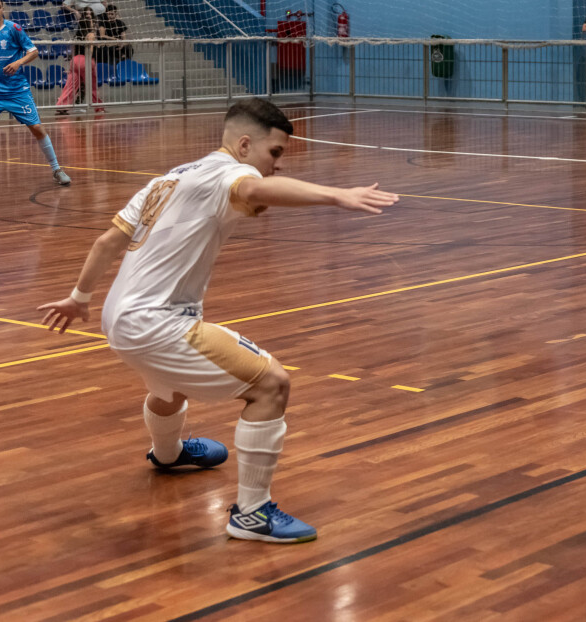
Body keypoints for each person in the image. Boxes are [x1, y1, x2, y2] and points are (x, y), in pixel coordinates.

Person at [36, 98, 399, 543]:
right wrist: (336, 195)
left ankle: (168, 455)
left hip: (118, 317)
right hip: (156, 323)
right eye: (275, 154)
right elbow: (251, 191)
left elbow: (107, 241)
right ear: (245, 144)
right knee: (272, 385)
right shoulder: (231, 174)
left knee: (167, 386)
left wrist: (79, 298)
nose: (275, 167)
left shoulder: (169, 178)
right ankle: (252, 513)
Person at [0, 0, 72, 187]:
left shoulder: (14, 29)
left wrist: (18, 62)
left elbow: (33, 51)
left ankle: (57, 169)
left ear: (3, 9)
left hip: (17, 91)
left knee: (36, 127)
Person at [55, 6, 102, 114]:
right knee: (92, 86)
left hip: (75, 60)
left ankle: (61, 106)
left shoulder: (77, 35)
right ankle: (99, 107)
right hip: (85, 60)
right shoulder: (90, 34)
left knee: (70, 85)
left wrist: (70, 66)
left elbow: (73, 50)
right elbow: (89, 51)